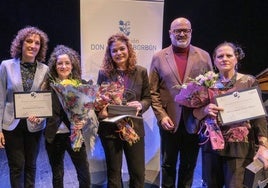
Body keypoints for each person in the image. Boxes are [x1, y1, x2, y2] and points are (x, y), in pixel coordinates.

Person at [193, 42, 268, 188]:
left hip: (240, 147)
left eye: (229, 55)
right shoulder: (206, 83)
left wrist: (263, 145)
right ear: (214, 61)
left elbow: (259, 117)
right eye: (220, 56)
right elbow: (195, 112)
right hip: (212, 145)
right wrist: (205, 110)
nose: (224, 59)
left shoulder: (248, 81)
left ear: (236, 58)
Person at [149, 17, 213, 187]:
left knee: (189, 165)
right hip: (169, 122)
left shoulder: (204, 56)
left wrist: (203, 114)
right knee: (168, 164)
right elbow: (152, 92)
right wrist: (161, 116)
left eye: (186, 30)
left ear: (191, 32)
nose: (182, 33)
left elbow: (211, 90)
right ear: (170, 33)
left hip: (194, 121)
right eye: (178, 30)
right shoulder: (159, 57)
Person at [96, 33, 151, 187]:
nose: (119, 53)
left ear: (128, 49)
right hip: (110, 129)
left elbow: (148, 98)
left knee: (138, 173)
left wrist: (141, 105)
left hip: (134, 129)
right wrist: (101, 110)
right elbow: (98, 100)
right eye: (114, 51)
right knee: (113, 173)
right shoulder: (104, 73)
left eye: (122, 49)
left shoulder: (141, 72)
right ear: (110, 54)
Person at [0, 26, 49, 187]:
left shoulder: (45, 70)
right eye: (29, 41)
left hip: (34, 124)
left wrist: (40, 116)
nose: (33, 45)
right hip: (11, 125)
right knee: (16, 166)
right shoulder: (6, 66)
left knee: (31, 165)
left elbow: (45, 101)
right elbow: (0, 99)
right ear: (21, 43)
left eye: (37, 43)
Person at [42, 45, 91, 188]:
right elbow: (42, 109)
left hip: (75, 134)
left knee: (84, 174)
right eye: (60, 63)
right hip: (53, 135)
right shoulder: (47, 85)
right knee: (57, 175)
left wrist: (84, 121)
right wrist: (37, 118)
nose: (64, 66)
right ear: (55, 66)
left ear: (72, 65)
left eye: (67, 63)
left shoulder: (81, 85)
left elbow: (88, 110)